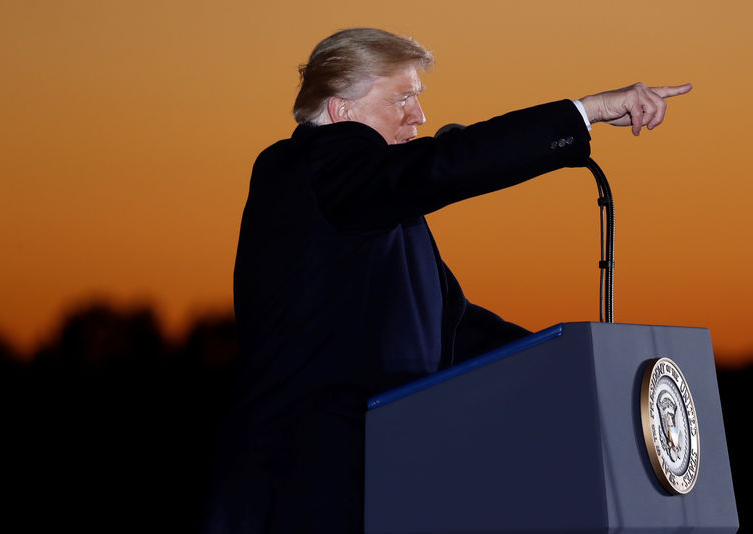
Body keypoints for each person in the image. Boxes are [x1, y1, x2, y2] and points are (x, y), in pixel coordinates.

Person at [208, 28, 691, 533]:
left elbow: (454, 328)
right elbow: (442, 167)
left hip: (384, 482)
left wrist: (582, 368)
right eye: (403, 98)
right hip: (299, 490)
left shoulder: (377, 206)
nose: (419, 116)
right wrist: (583, 111)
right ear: (341, 112)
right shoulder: (304, 165)